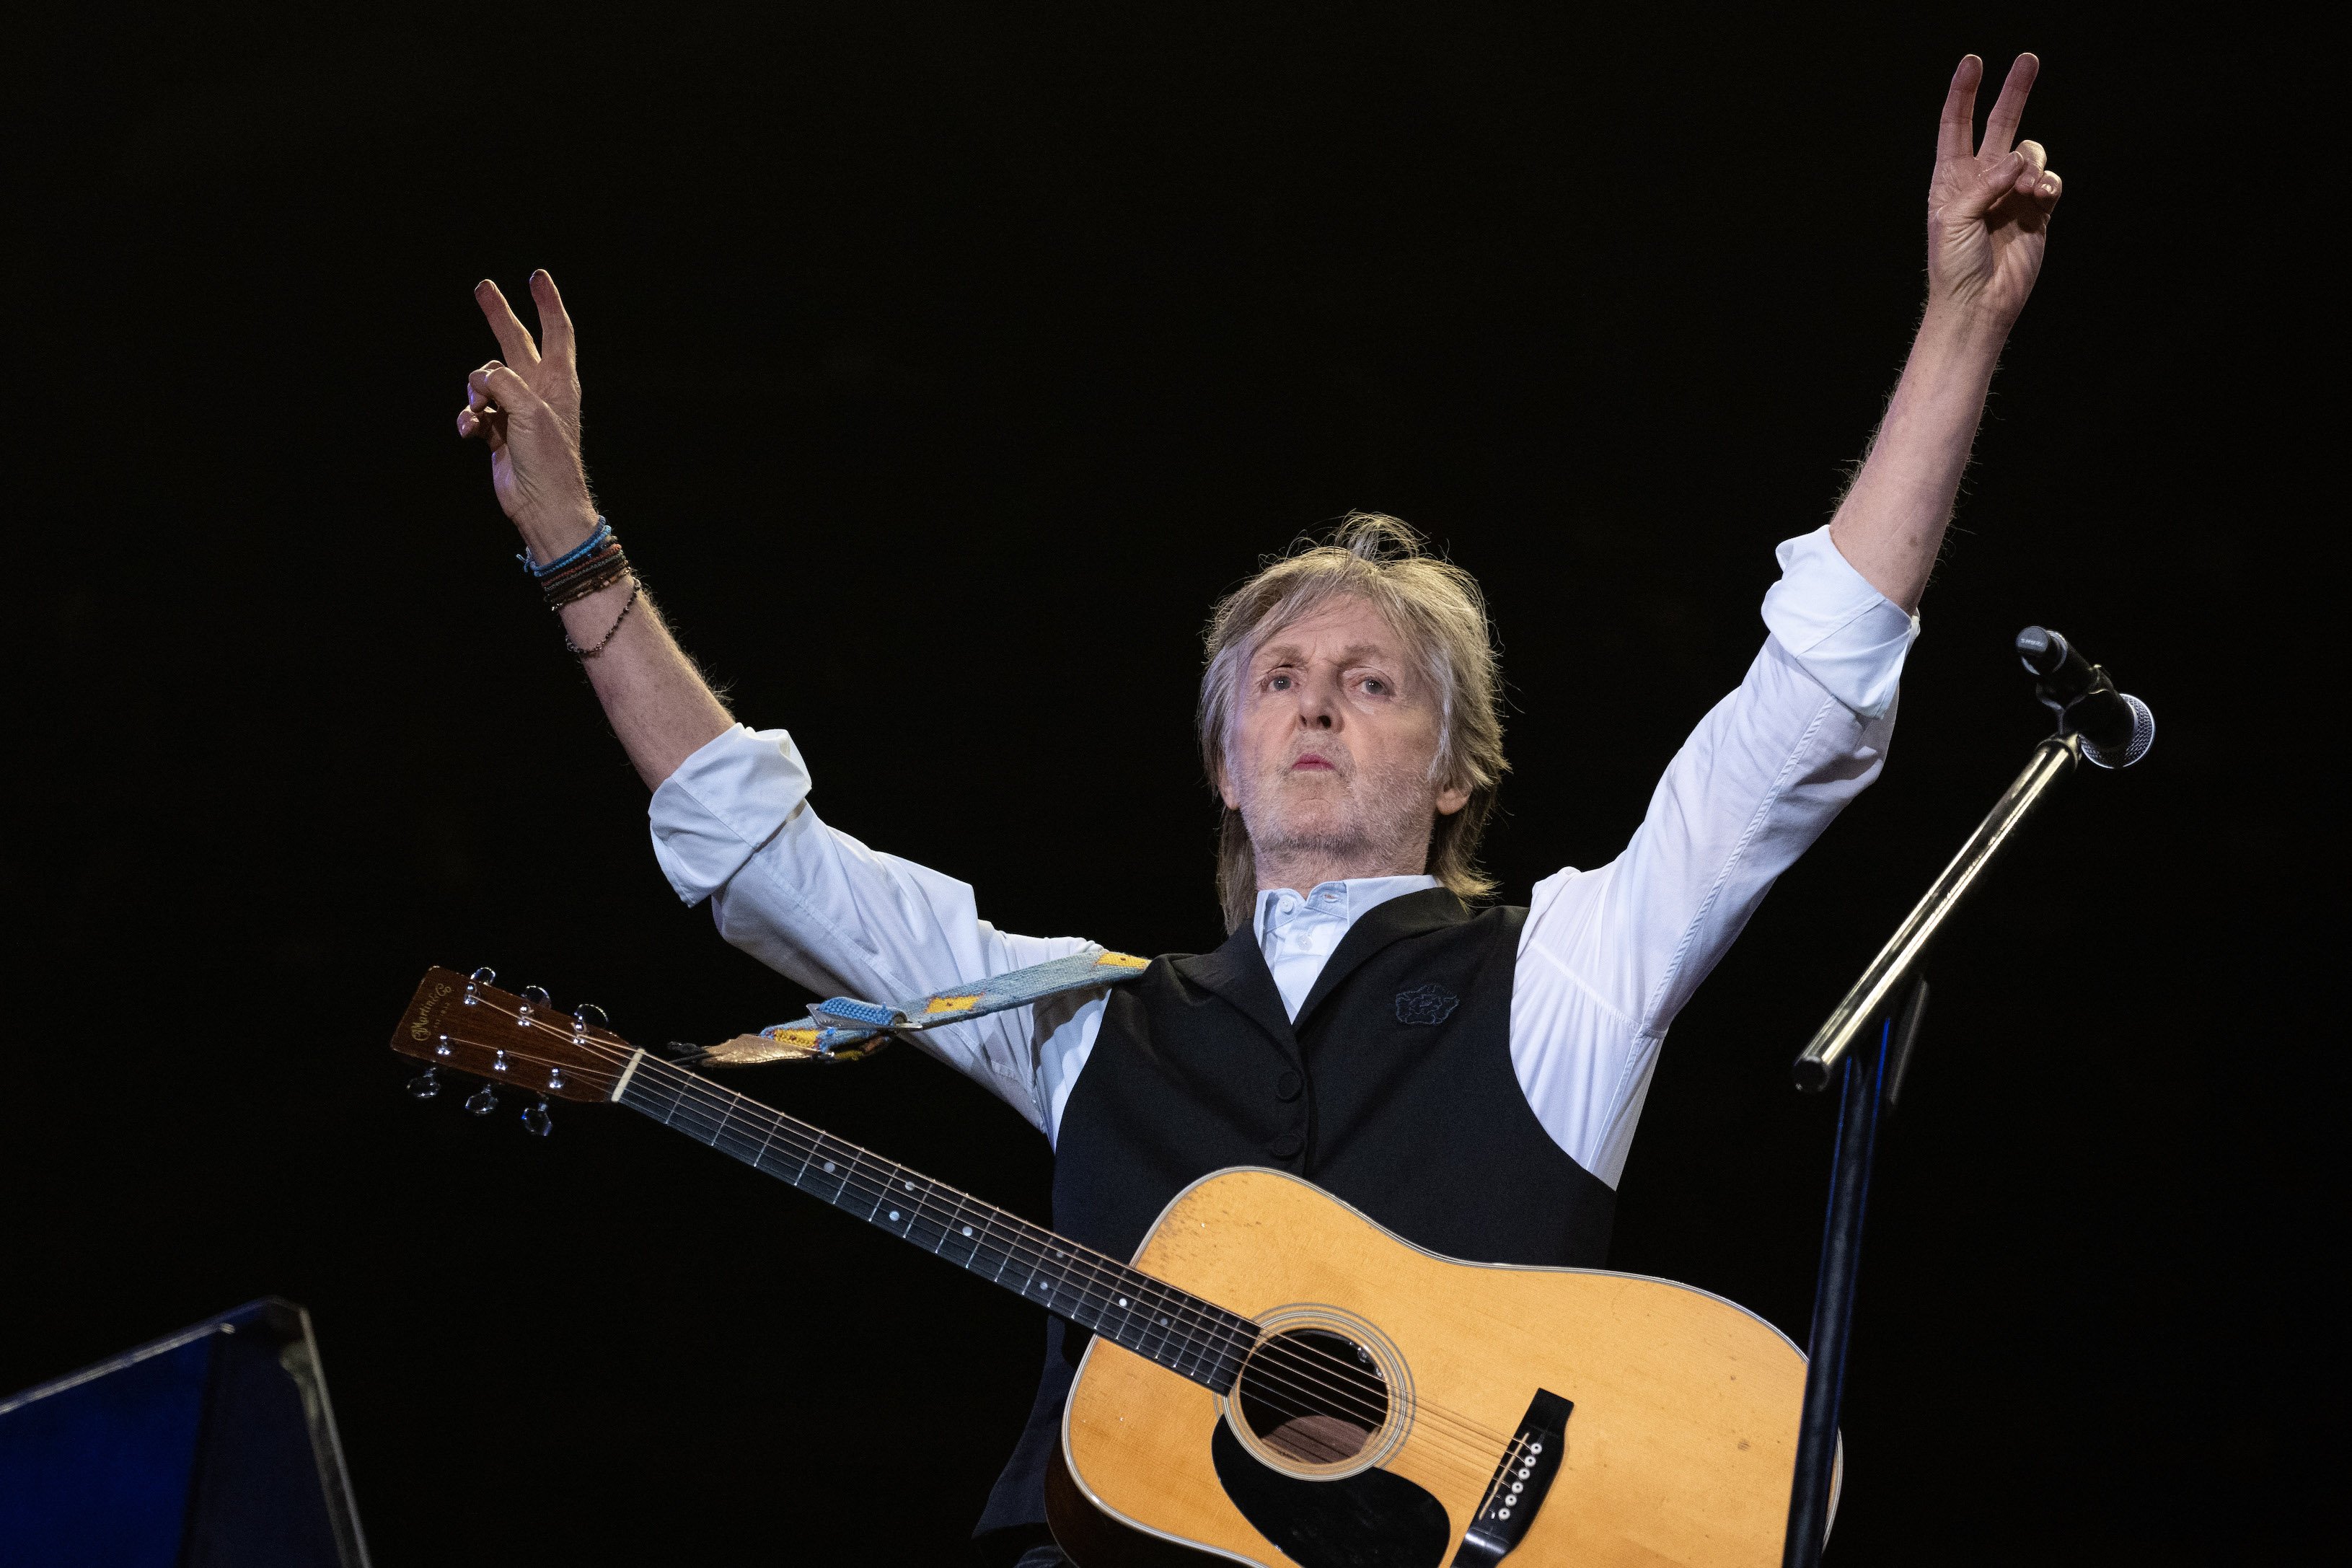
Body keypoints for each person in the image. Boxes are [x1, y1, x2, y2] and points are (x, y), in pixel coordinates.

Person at [457, 53, 2063, 1564]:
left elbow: (1799, 709)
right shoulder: (1089, 1019)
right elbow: (763, 856)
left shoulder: (1567, 972)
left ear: (1453, 775)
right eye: (1277, 678)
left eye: (1372, 682)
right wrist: (574, 547)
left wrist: (1958, 326)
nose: (1310, 699)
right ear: (1223, 759)